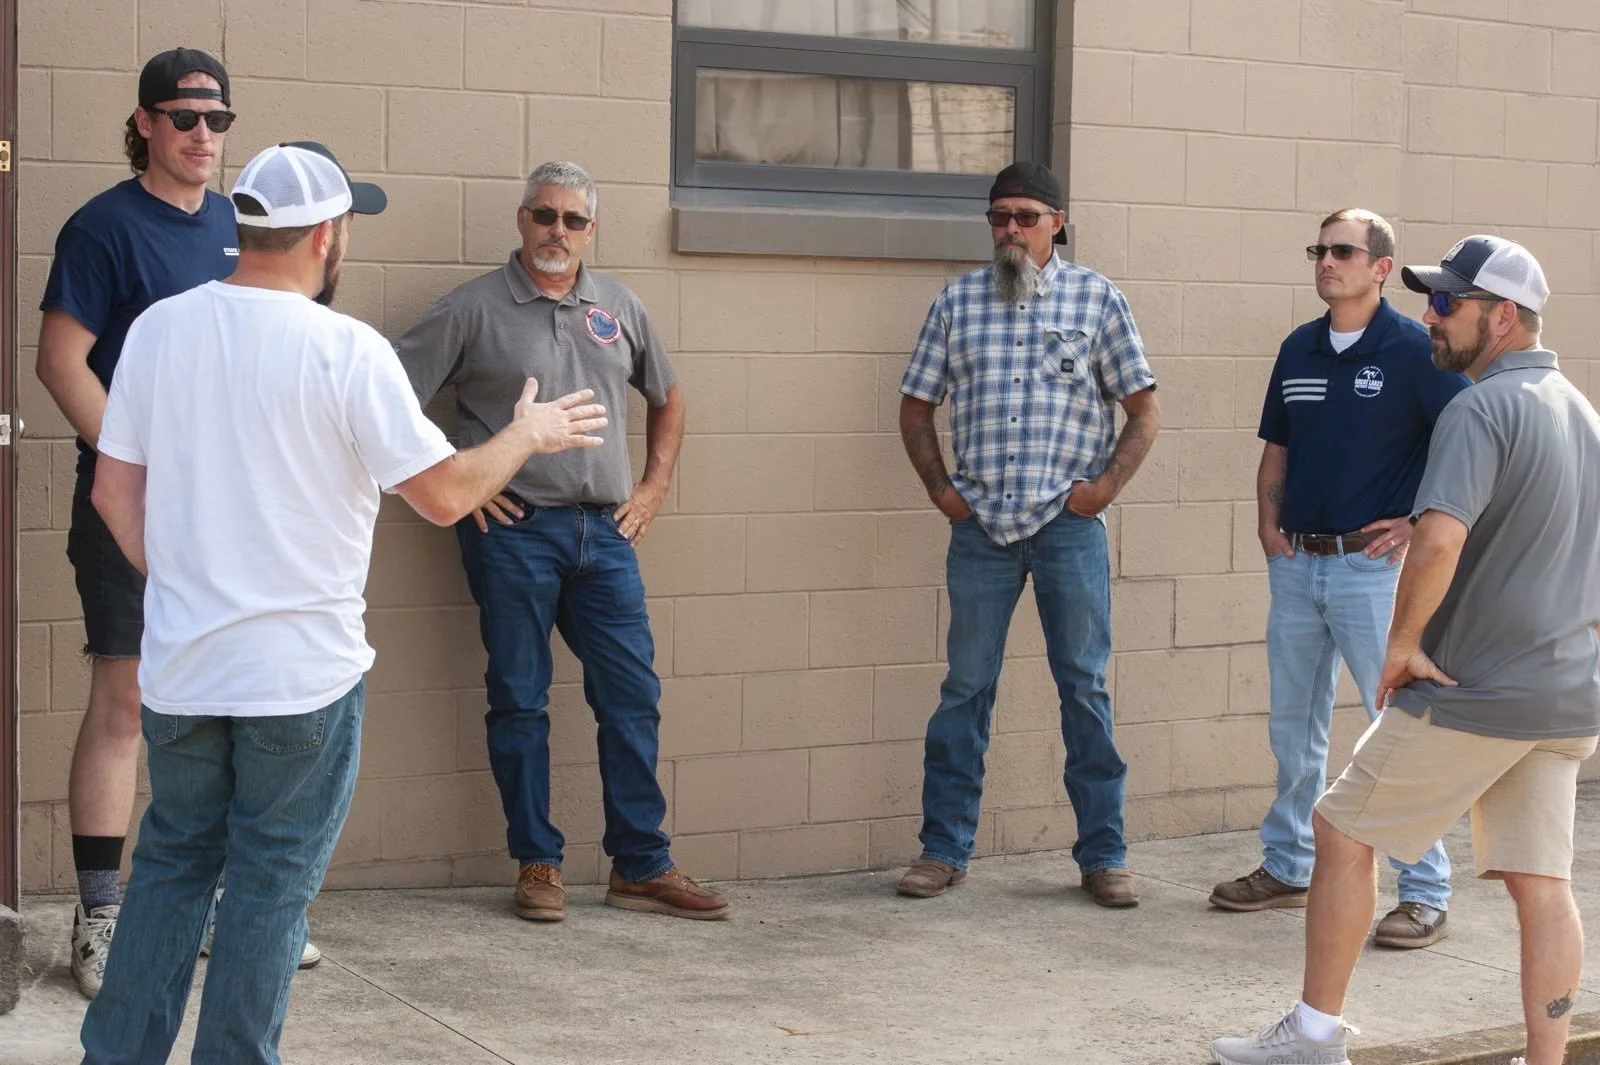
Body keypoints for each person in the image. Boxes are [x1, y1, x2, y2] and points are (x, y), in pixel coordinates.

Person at [79, 141, 608, 1065]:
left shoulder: (160, 330)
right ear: (328, 235)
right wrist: (526, 433)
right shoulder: (346, 348)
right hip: (302, 678)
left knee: (168, 869)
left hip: (184, 667)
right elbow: (445, 494)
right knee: (270, 887)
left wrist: (189, 590)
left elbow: (114, 496)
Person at [1213, 236, 1600, 1065]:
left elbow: (1435, 541)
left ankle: (1312, 1038)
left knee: (1339, 828)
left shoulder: (1478, 408)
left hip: (1475, 688)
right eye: (1430, 298)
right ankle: (1547, 1059)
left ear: (1504, 317)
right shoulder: (1581, 410)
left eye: (1450, 303)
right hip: (1565, 697)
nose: (1432, 314)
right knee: (1543, 883)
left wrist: (1402, 645)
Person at [30, 46, 328, 996]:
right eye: (186, 117)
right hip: (134, 509)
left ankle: (233, 905)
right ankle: (103, 913)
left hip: (234, 520)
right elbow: (61, 361)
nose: (206, 136)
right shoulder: (103, 227)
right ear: (146, 124)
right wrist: (136, 465)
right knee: (127, 704)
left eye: (220, 120)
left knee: (236, 702)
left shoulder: (239, 232)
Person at [396, 161, 727, 922]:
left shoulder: (618, 305)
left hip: (606, 533)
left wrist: (652, 489)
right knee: (519, 697)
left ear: (590, 231)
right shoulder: (472, 308)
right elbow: (389, 396)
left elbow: (669, 396)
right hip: (515, 535)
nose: (558, 232)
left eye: (574, 221)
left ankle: (640, 864)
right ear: (522, 220)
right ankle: (537, 862)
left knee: (632, 694)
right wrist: (463, 480)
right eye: (546, 216)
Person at [895, 161, 1161, 909]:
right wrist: (942, 491)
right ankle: (942, 850)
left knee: (1084, 688)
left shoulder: (1097, 299)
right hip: (980, 527)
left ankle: (1104, 854)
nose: (1010, 229)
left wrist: (1103, 490)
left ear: (1057, 222)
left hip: (1066, 528)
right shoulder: (957, 303)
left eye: (1026, 216)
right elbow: (916, 408)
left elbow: (1143, 408)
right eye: (999, 216)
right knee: (965, 690)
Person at [1210, 209, 1468, 949]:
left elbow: (1467, 443)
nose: (1328, 261)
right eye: (1320, 250)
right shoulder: (1299, 347)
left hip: (1372, 571)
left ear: (1381, 266)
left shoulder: (1416, 350)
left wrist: (1419, 522)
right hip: (1298, 565)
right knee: (1295, 728)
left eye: (1343, 250)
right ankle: (1289, 864)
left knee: (1398, 727)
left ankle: (1424, 890)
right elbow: (1277, 447)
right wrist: (1268, 526)